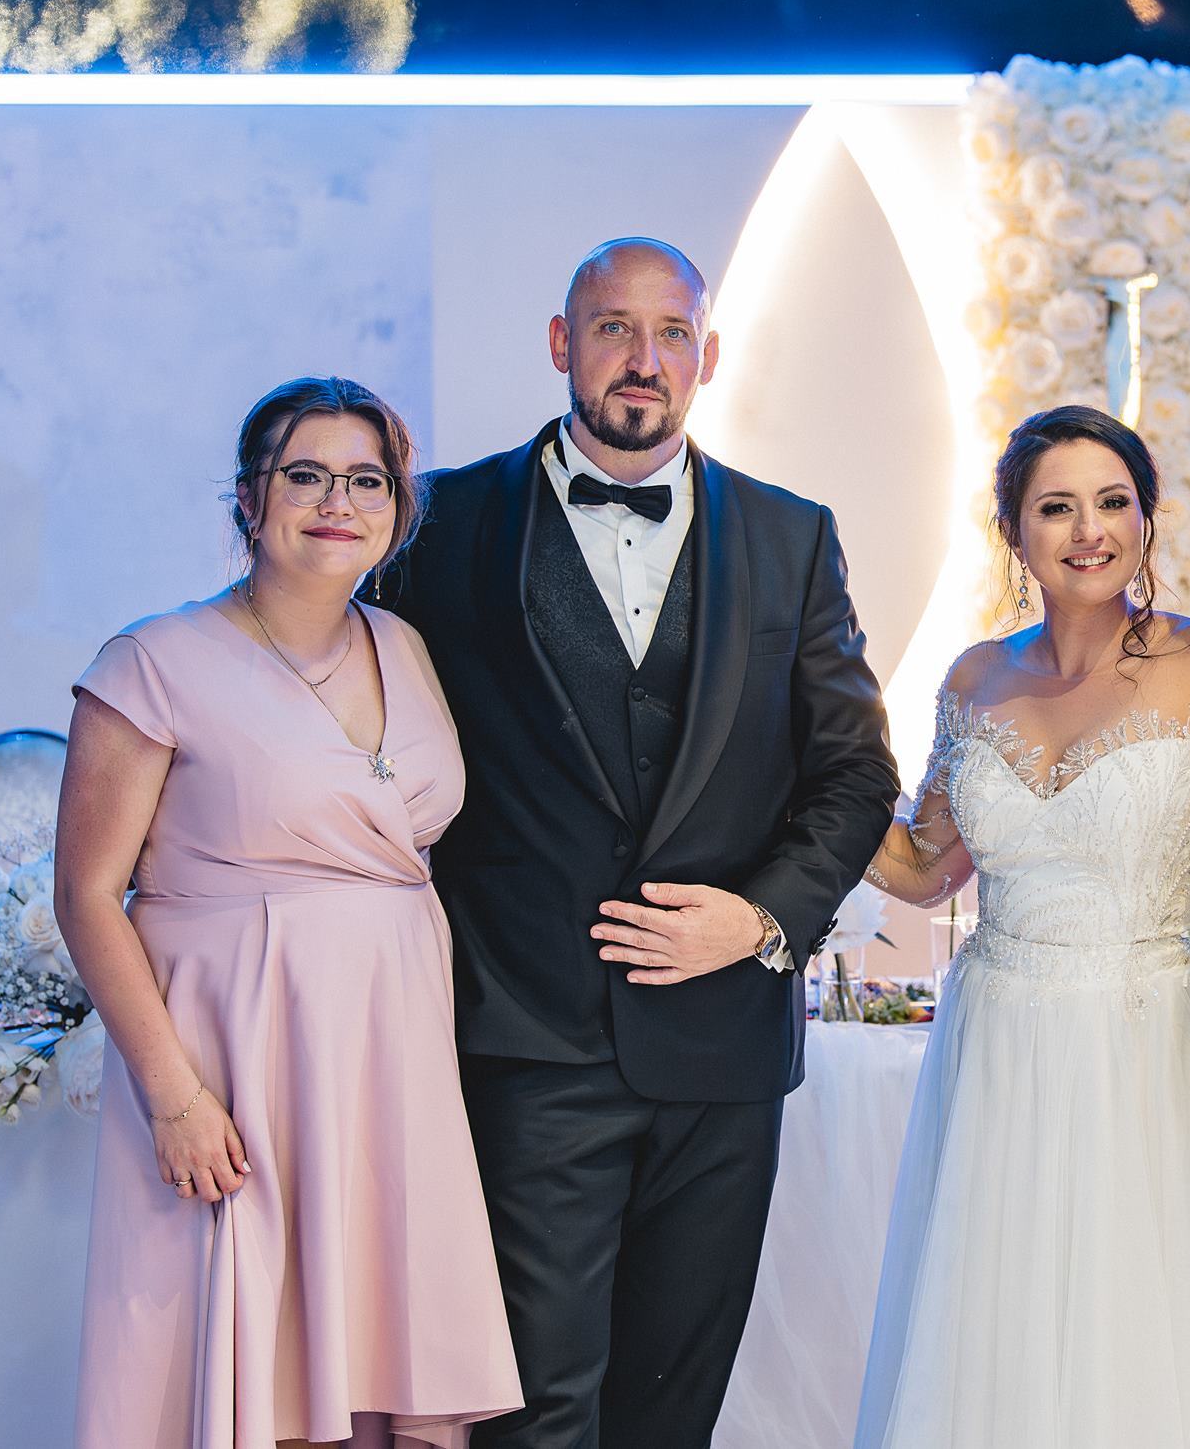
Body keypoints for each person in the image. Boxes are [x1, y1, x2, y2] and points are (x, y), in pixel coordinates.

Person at [384, 237, 899, 1448]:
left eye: (671, 334)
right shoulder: (438, 522)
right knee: (535, 1409)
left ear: (707, 357)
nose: (642, 358)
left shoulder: (791, 536)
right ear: (561, 344)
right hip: (524, 1034)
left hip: (722, 1048)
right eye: (613, 327)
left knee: (673, 1410)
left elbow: (854, 771)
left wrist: (761, 919)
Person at [57, 376, 521, 1448]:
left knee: (376, 1367)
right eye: (305, 475)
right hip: (233, 1050)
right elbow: (85, 894)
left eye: (367, 480)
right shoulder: (152, 662)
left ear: (398, 507)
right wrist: (173, 1096)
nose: (337, 502)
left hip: (389, 1050)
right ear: (248, 497)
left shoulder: (404, 645)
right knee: (250, 1362)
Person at [854, 405, 1190, 1449]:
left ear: (1147, 520)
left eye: (1112, 502)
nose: (1089, 530)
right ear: (1014, 531)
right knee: (995, 1321)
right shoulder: (975, 677)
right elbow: (923, 869)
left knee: (1139, 1318)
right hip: (999, 1047)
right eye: (1056, 507)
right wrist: (817, 772)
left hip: (1149, 1046)